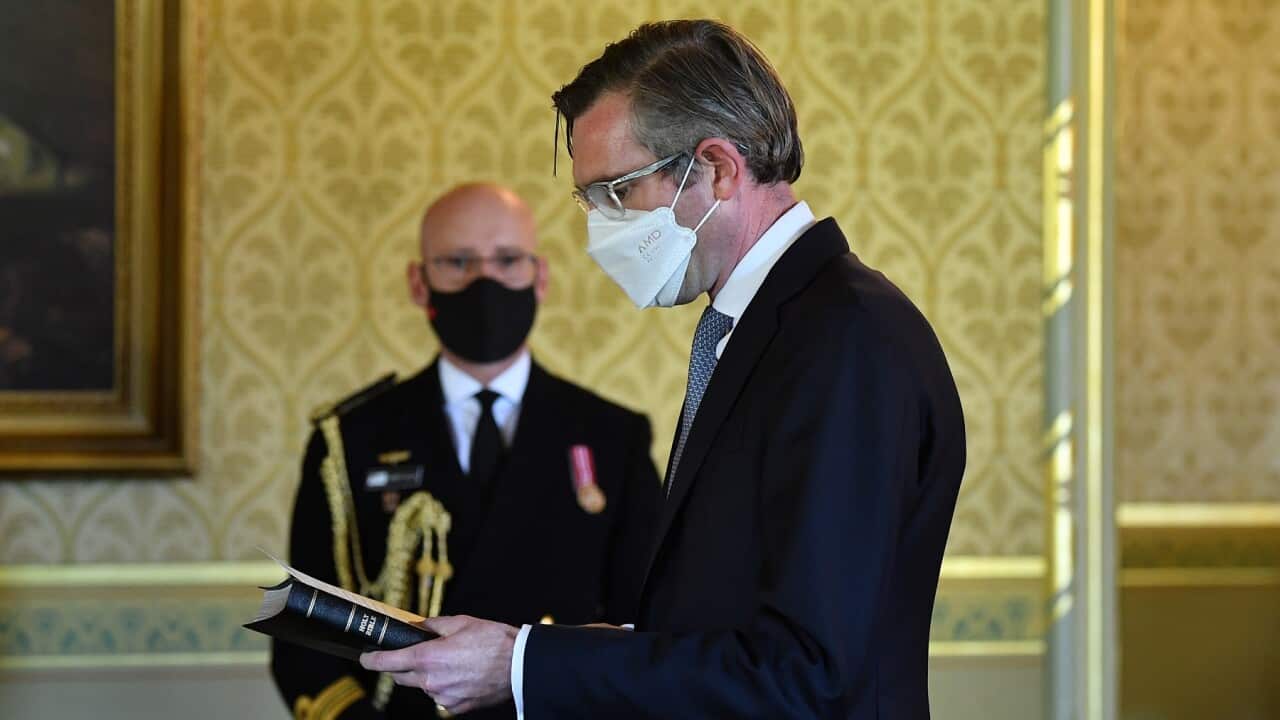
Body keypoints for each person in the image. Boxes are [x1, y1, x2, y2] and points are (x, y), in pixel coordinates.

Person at [362, 20, 967, 719]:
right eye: (589, 200)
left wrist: (520, 663)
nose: (599, 228)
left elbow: (810, 672)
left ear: (716, 168)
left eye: (615, 193)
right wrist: (585, 649)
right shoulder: (764, 329)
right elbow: (729, 615)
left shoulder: (844, 340)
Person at [272, 183, 661, 719]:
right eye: (457, 262)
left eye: (507, 260)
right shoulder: (351, 438)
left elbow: (641, 625)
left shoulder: (613, 437)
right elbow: (304, 637)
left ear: (540, 276)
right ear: (419, 281)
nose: (486, 282)